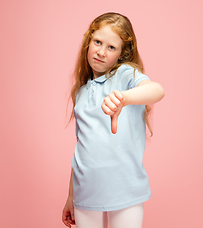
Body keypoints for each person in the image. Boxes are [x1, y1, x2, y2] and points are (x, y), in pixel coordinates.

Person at [62, 12, 165, 228]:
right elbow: (82, 147)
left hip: (125, 190)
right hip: (86, 192)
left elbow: (156, 90)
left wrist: (124, 98)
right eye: (98, 42)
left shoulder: (125, 76)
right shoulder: (81, 92)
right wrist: (71, 197)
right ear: (88, 42)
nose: (101, 51)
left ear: (121, 54)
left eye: (111, 47)